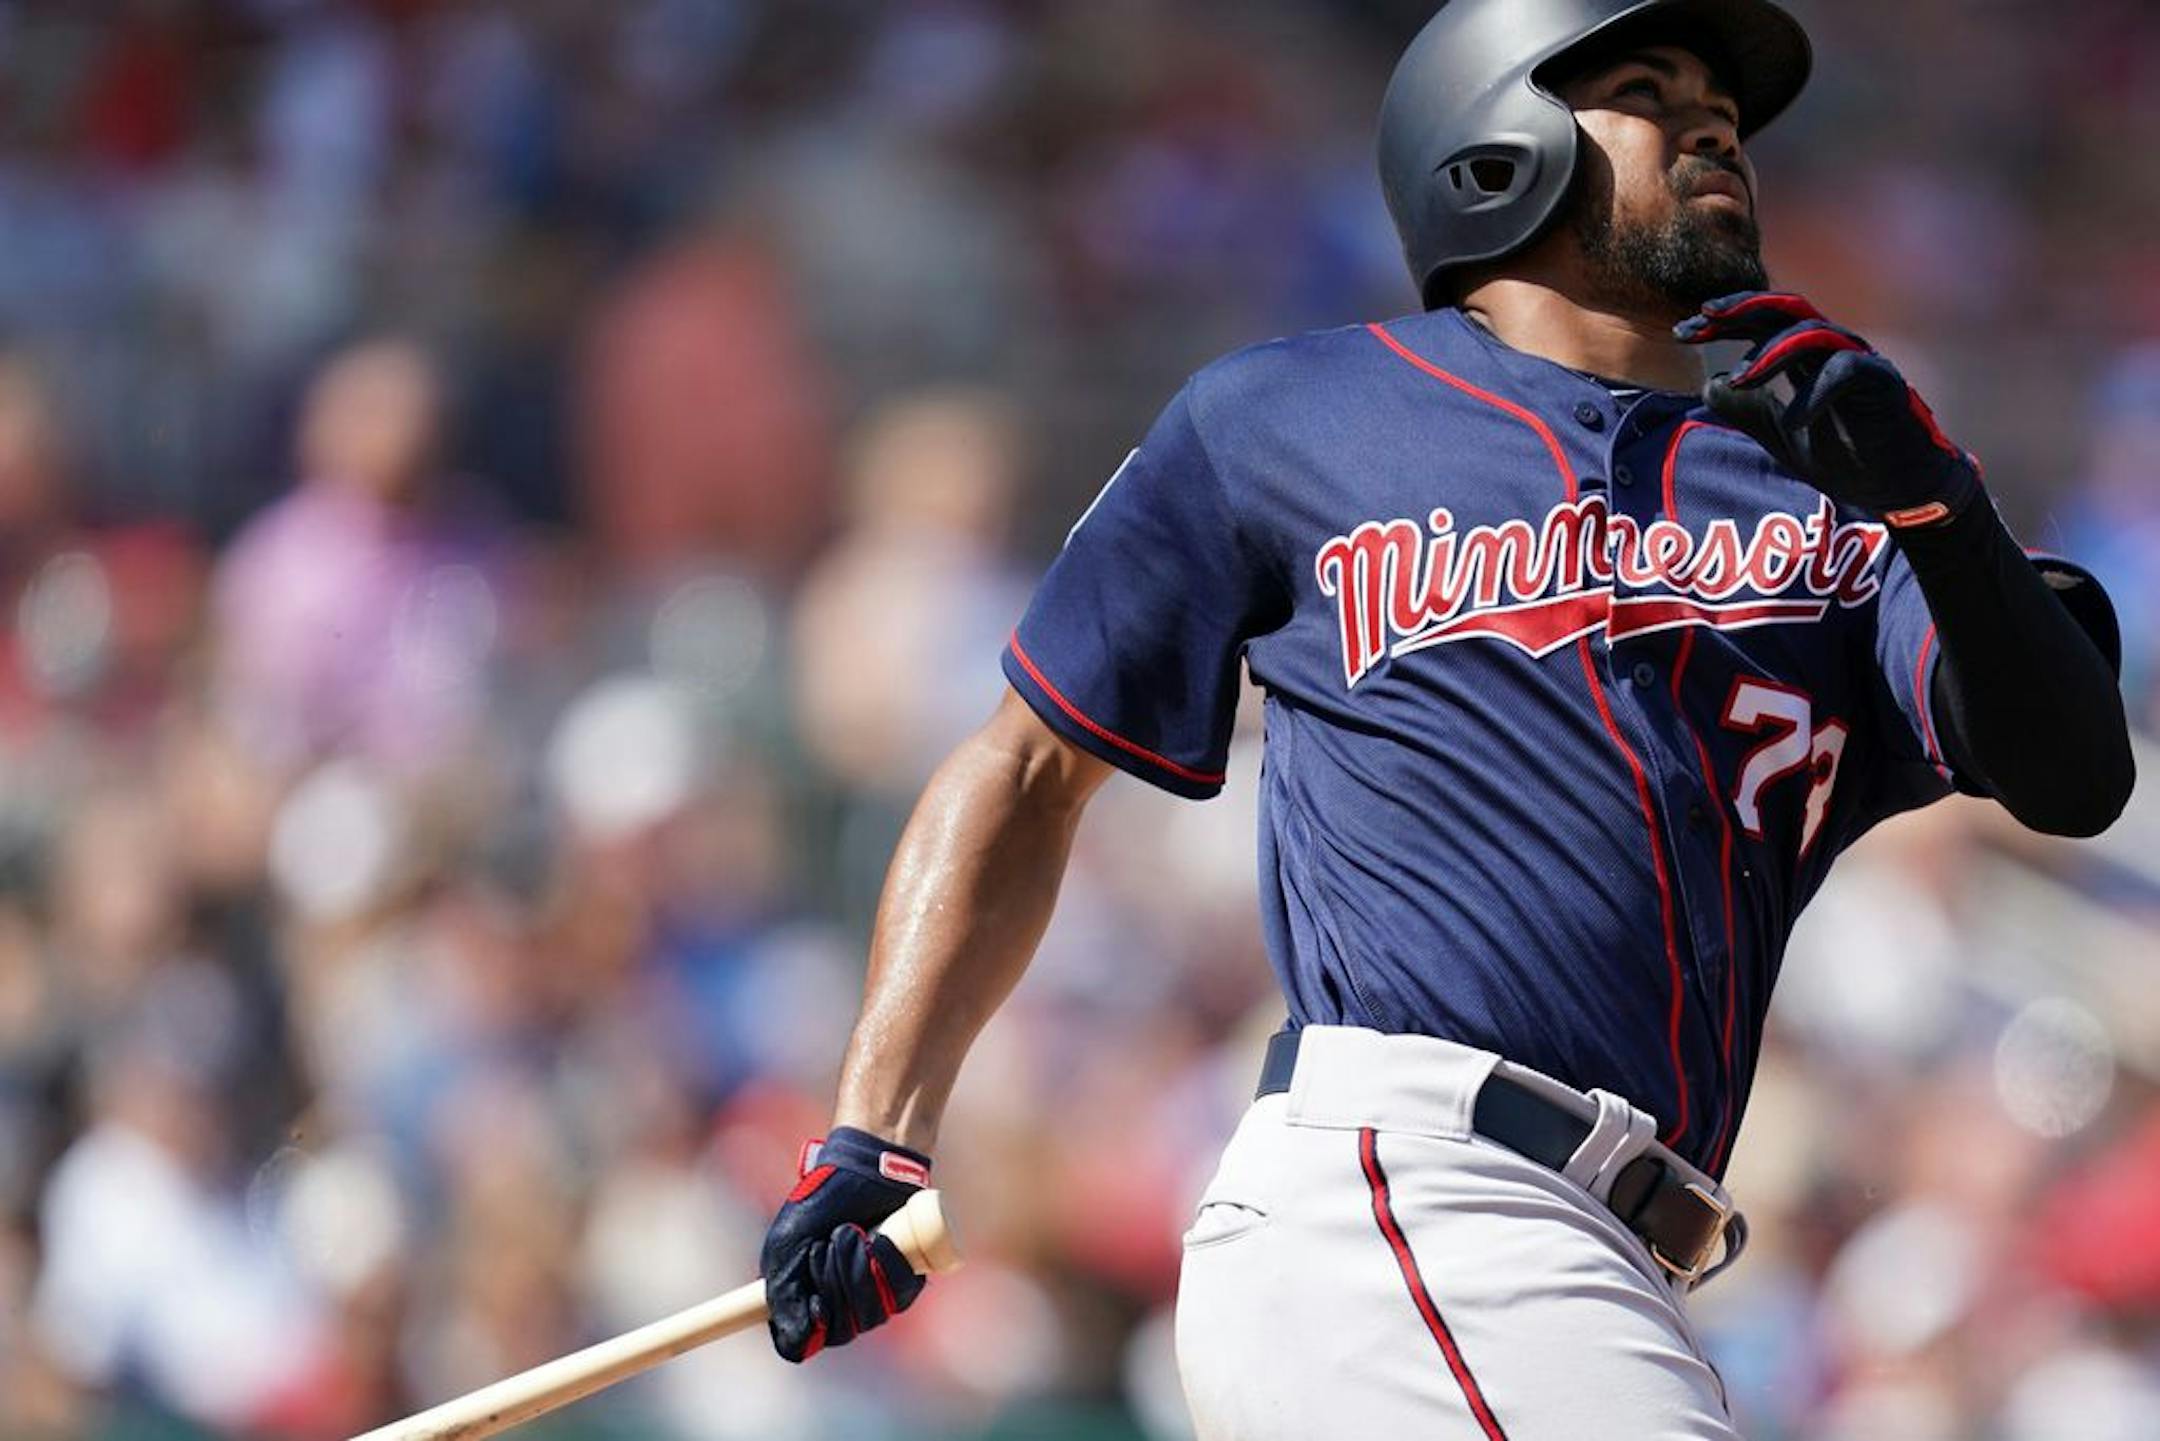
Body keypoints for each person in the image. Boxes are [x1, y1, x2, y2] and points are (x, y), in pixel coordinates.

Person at [756, 2, 2135, 1435]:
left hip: (1596, 1261)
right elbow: (1028, 766)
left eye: (1723, 106)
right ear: (1493, 145)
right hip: (1413, 1194)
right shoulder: (1289, 419)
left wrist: (1940, 510)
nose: (1713, 121)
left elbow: (2074, 771)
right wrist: (878, 1132)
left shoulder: (1824, 499)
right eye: (1647, 91)